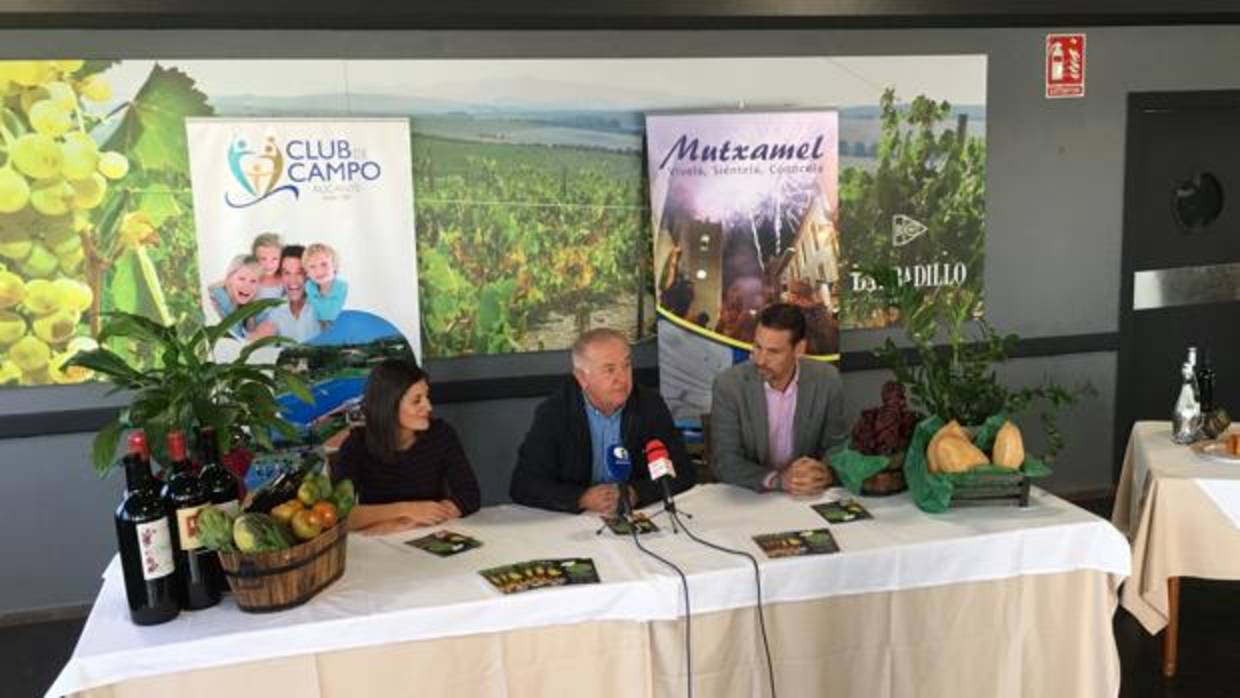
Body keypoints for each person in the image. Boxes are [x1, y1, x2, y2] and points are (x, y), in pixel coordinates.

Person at [510, 328, 696, 514]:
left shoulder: (648, 405)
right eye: (610, 370)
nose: (622, 378)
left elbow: (682, 472)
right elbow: (524, 485)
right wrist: (581, 498)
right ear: (582, 378)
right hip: (574, 524)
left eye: (626, 366)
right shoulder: (555, 413)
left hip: (635, 515)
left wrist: (636, 493)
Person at [710, 303, 847, 496]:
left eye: (773, 352)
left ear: (799, 349)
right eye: (758, 347)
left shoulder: (827, 380)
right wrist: (778, 480)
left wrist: (825, 473)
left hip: (806, 496)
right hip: (751, 496)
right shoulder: (729, 385)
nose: (761, 360)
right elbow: (724, 461)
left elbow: (836, 447)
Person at [331, 359, 481, 535]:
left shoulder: (441, 433)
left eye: (427, 396)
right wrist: (406, 510)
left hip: (429, 534)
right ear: (389, 406)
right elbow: (339, 513)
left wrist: (418, 520)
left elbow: (469, 496)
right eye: (417, 401)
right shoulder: (357, 445)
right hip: (379, 544)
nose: (428, 406)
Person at [256, 245, 321, 343]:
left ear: (308, 274)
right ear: (280, 276)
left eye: (299, 273)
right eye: (287, 273)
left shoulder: (323, 306)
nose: (293, 280)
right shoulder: (275, 313)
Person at [207, 254, 262, 339]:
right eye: (241, 279)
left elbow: (251, 337)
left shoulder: (241, 307)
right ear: (229, 278)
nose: (247, 286)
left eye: (253, 281)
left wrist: (251, 308)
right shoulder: (220, 298)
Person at [303, 242, 348, 325]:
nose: (319, 271)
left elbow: (331, 315)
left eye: (324, 264)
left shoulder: (342, 287)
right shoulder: (309, 287)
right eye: (312, 267)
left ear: (334, 266)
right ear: (307, 272)